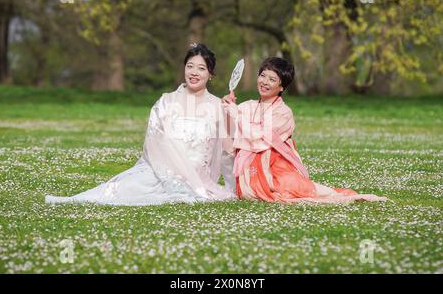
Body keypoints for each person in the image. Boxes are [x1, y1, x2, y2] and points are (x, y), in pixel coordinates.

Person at [46, 43, 236, 206]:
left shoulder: (217, 105)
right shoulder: (166, 102)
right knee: (129, 187)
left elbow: (227, 151)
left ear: (210, 74)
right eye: (190, 66)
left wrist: (230, 115)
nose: (194, 73)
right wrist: (171, 175)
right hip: (164, 172)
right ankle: (75, 199)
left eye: (201, 68)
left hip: (198, 178)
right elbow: (153, 144)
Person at [221, 57, 388, 204]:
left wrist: (237, 116)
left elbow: (262, 139)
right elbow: (230, 144)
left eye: (272, 79)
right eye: (263, 76)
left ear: (281, 87)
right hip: (250, 172)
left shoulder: (284, 113)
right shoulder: (246, 106)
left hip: (276, 165)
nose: (265, 82)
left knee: (293, 189)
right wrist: (227, 112)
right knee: (255, 193)